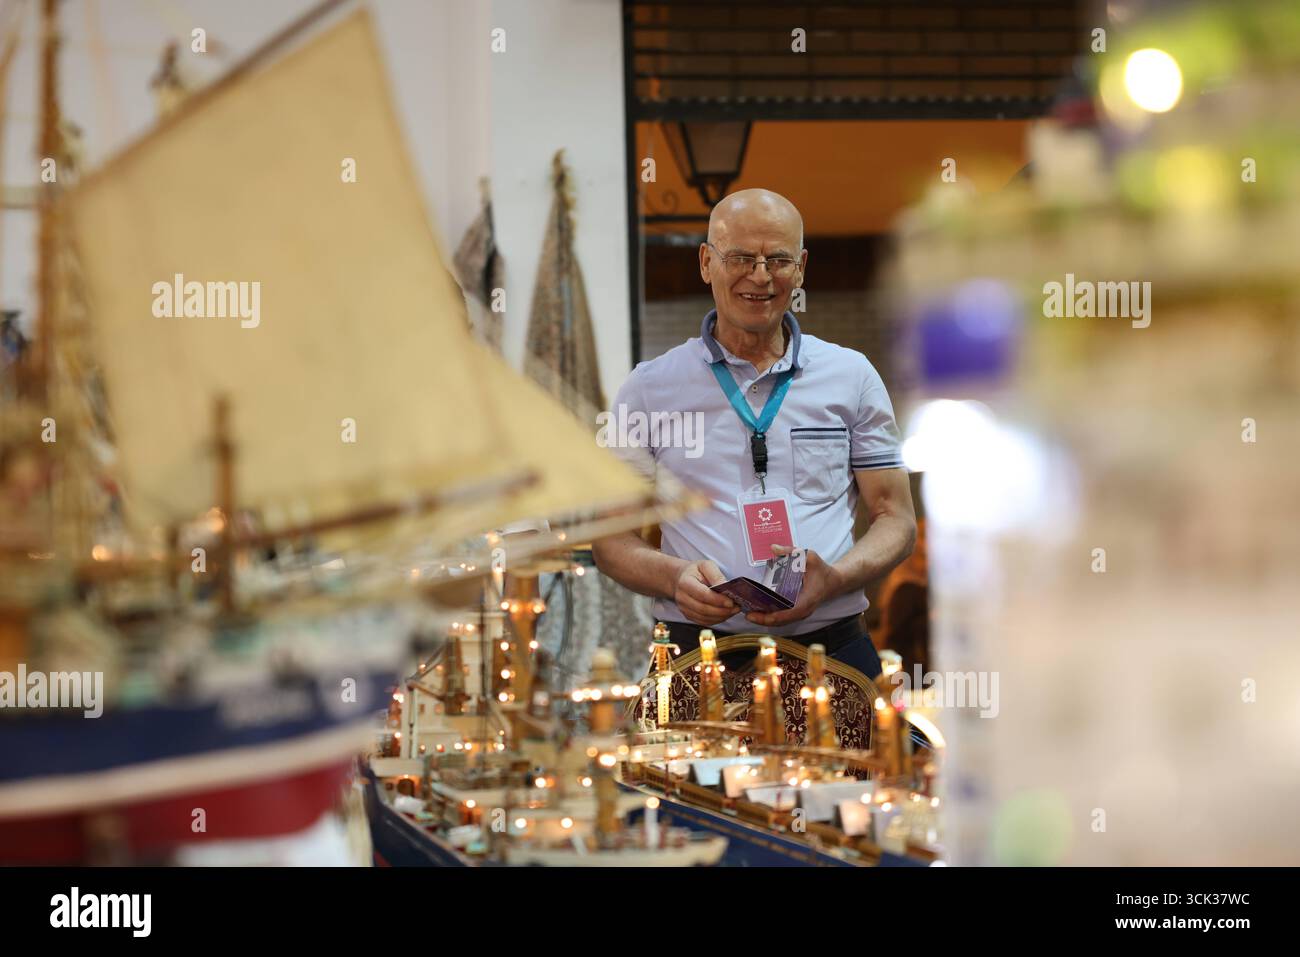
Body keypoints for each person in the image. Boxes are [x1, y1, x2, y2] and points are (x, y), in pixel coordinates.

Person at [592, 189, 915, 679]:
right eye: (741, 257)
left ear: (801, 267)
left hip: (833, 651)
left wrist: (834, 578)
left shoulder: (853, 376)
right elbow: (612, 538)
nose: (760, 276)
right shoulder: (648, 387)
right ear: (706, 262)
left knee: (865, 761)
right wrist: (674, 576)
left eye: (778, 260)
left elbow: (897, 518)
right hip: (698, 655)